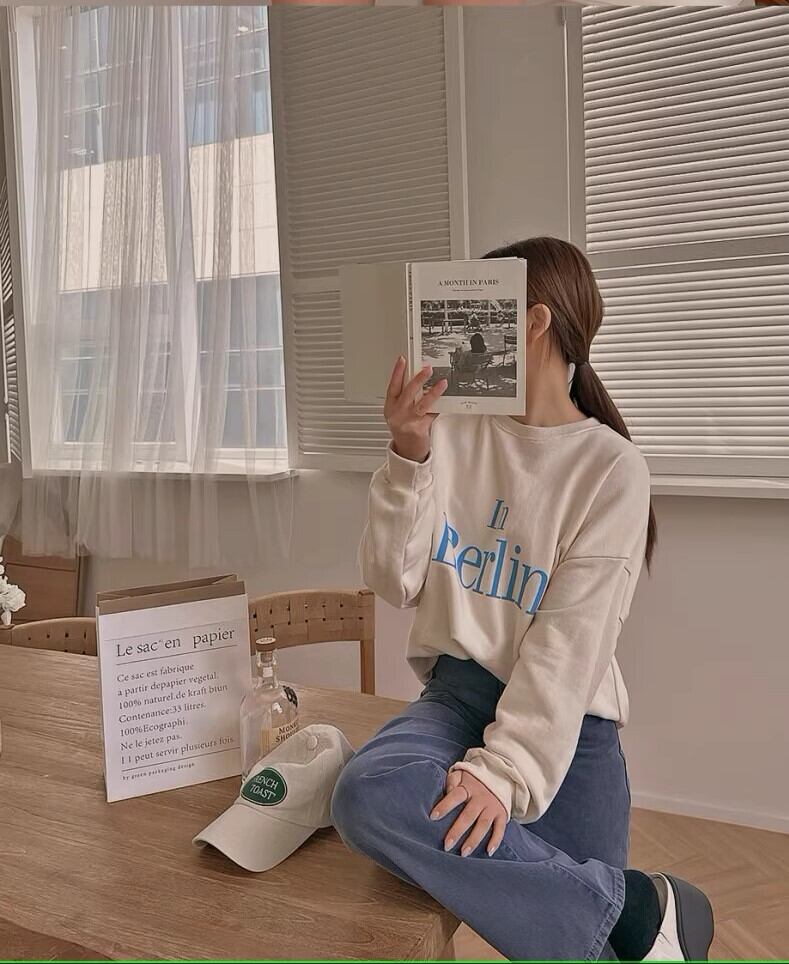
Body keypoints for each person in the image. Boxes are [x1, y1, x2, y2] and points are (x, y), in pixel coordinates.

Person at [331, 237, 715, 961]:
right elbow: (393, 581)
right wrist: (407, 454)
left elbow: (570, 647)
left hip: (565, 725)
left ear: (531, 321)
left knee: (582, 948)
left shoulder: (611, 467)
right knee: (367, 795)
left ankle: (619, 919)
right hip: (455, 698)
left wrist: (501, 772)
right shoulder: (449, 431)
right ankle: (636, 907)